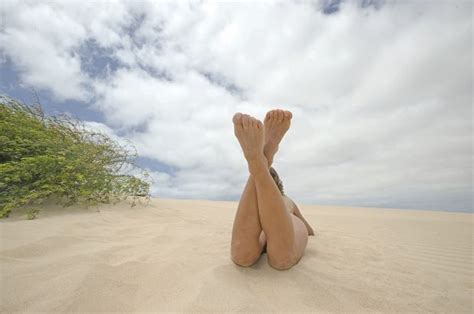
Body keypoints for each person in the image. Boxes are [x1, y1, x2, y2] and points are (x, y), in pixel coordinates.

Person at [230, 109, 315, 270]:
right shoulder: (287, 200)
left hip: (263, 227)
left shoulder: (254, 200)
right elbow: (309, 230)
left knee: (241, 255)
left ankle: (261, 161)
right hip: (287, 224)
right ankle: (262, 159)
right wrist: (309, 230)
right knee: (282, 258)